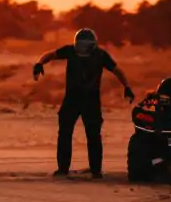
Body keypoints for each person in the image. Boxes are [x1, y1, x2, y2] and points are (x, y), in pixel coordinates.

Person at [33, 28, 135, 179]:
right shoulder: (70, 51)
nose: (81, 49)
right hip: (72, 99)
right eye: (80, 45)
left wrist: (126, 86)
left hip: (91, 100)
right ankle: (63, 168)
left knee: (93, 135)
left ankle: (95, 170)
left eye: (84, 46)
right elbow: (51, 54)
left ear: (92, 45)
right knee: (65, 133)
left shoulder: (101, 55)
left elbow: (117, 70)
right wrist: (39, 62)